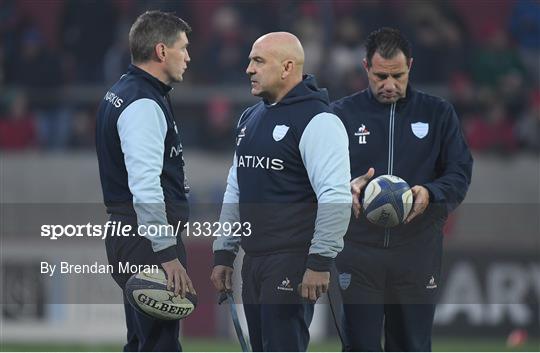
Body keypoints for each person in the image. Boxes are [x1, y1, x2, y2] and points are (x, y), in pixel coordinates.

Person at [331, 27, 473, 351]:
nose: (390, 85)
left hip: (417, 252)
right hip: (358, 253)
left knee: (412, 346)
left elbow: (459, 172)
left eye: (398, 75)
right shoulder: (341, 115)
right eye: (380, 76)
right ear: (365, 67)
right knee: (359, 347)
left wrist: (431, 193)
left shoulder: (438, 113)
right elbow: (319, 178)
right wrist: (344, 189)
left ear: (410, 65)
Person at [210, 32, 352, 351]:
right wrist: (224, 251)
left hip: (293, 260)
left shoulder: (319, 120)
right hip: (255, 260)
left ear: (288, 67)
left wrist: (319, 262)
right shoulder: (250, 117)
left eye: (258, 61)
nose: (249, 68)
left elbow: (335, 196)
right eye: (250, 60)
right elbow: (237, 186)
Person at [95, 11, 195, 351]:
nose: (189, 57)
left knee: (142, 342)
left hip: (133, 234)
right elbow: (145, 185)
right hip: (147, 239)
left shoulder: (124, 92)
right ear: (162, 51)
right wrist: (166, 252)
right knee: (159, 345)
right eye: (183, 48)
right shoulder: (142, 103)